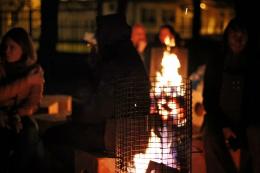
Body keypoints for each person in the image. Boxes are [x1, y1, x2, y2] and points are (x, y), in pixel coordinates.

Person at [43, 14, 150, 173]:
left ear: (107, 34)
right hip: (135, 134)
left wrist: (77, 114)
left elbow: (98, 110)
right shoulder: (129, 55)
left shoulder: (115, 62)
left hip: (114, 136)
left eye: (99, 31)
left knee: (52, 135)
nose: (97, 36)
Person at [202, 17, 258, 173]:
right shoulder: (216, 61)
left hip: (247, 120)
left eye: (242, 36)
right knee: (210, 137)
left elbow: (255, 100)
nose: (238, 40)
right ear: (227, 37)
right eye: (234, 35)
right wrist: (224, 125)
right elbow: (209, 99)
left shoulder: (253, 63)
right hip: (221, 118)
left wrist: (244, 125)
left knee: (256, 135)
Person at [0, 27, 45, 173]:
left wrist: (17, 115)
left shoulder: (34, 70)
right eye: (5, 46)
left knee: (31, 132)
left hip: (19, 116)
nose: (7, 50)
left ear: (24, 50)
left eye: (12, 47)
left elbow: (34, 102)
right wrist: (26, 81)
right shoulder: (1, 67)